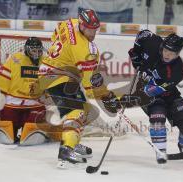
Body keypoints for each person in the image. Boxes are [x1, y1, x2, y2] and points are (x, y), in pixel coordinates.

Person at [38, 9, 121, 168]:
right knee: (77, 112)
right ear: (82, 25)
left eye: (95, 29)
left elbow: (56, 33)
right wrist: (107, 96)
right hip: (57, 77)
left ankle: (73, 143)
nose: (93, 32)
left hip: (55, 73)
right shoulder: (85, 50)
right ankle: (66, 149)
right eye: (89, 28)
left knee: (84, 110)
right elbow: (90, 86)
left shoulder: (70, 23)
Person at [124, 30, 183, 164]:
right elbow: (142, 34)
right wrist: (136, 53)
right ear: (162, 46)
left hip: (167, 94)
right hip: (150, 95)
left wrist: (138, 95)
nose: (167, 55)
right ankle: (161, 151)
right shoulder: (153, 44)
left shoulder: (178, 71)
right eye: (166, 50)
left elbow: (154, 90)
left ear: (178, 54)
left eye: (172, 53)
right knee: (158, 119)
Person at [0, 37, 48, 145]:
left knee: (34, 126)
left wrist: (49, 95)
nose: (36, 54)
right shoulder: (15, 59)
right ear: (26, 50)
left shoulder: (46, 61)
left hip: (35, 103)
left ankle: (33, 131)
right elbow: (3, 78)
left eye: (39, 51)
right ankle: (9, 131)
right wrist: (0, 95)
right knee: (7, 130)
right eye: (33, 51)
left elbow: (51, 82)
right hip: (13, 102)